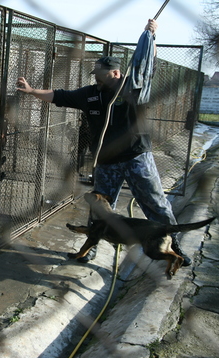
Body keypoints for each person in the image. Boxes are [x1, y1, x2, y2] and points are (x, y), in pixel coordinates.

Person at [15, 19, 192, 266]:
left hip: (136, 156)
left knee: (155, 203)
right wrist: (33, 91)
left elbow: (146, 68)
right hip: (107, 161)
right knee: (99, 208)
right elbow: (60, 96)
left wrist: (150, 38)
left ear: (116, 73)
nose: (96, 77)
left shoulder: (131, 88)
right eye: (95, 74)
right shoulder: (90, 94)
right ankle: (91, 248)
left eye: (101, 74)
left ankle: (173, 245)